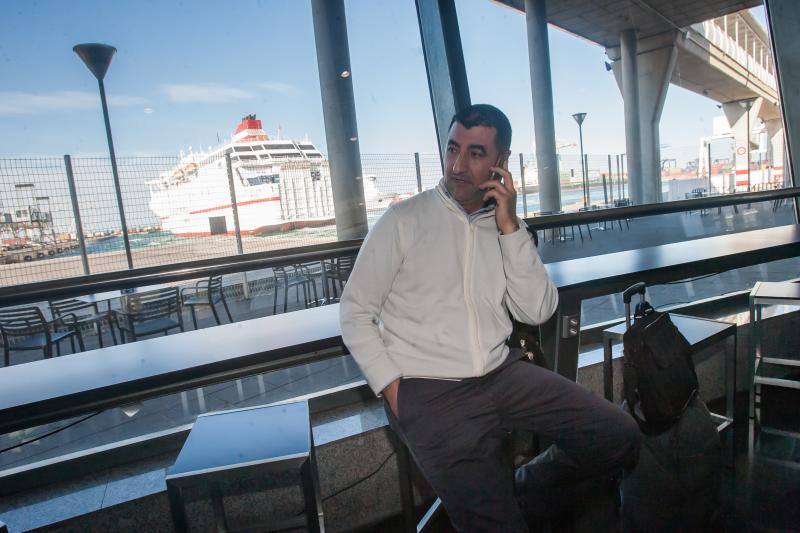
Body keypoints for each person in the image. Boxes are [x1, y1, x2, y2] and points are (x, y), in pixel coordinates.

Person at [340, 104, 640, 532]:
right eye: (451, 149)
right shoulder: (403, 221)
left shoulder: (506, 230)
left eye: (476, 153)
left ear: (501, 162)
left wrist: (510, 228)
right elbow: (354, 312)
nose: (458, 165)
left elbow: (537, 310)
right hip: (430, 392)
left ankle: (524, 486)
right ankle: (505, 508)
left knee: (619, 435)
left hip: (502, 374)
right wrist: (395, 391)